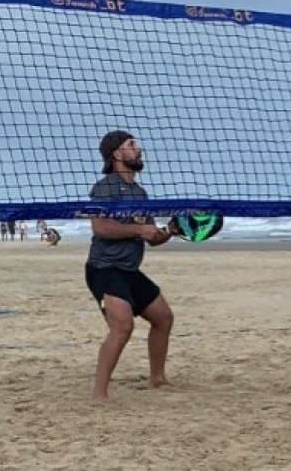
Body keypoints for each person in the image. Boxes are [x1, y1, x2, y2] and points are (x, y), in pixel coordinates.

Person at [85, 129, 175, 401]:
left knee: (164, 318)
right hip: (104, 268)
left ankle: (157, 379)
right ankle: (99, 393)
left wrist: (170, 230)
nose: (139, 149)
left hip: (129, 270)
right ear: (117, 154)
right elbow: (100, 227)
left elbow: (151, 237)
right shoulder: (105, 187)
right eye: (131, 144)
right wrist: (138, 232)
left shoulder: (140, 193)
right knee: (122, 327)